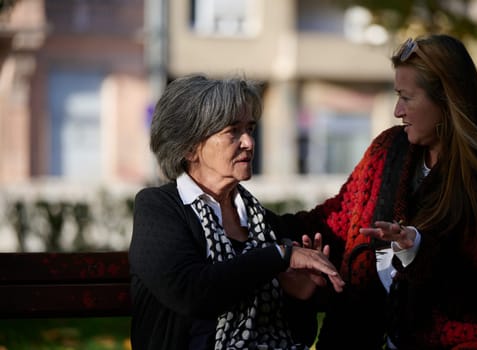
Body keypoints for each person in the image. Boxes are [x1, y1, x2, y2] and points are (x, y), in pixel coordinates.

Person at [280, 34, 477, 349]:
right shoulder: (388, 149)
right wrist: (249, 223)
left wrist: (419, 252)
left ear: (446, 100)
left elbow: (469, 298)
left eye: (406, 98)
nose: (397, 110)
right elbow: (335, 220)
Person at [128, 74, 345, 350]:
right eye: (233, 131)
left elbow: (298, 337)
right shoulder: (158, 208)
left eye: (250, 129)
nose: (249, 143)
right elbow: (191, 292)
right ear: (190, 147)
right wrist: (278, 256)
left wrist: (297, 297)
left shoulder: (263, 223)